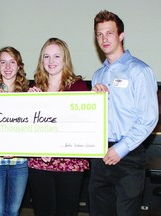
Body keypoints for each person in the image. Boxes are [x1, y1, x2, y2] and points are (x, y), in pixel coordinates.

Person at [89, 10, 159, 216]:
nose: (104, 39)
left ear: (121, 35)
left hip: (128, 156)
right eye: (99, 34)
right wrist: (92, 101)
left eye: (109, 33)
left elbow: (149, 118)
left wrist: (121, 149)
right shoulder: (97, 75)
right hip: (99, 155)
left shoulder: (139, 71)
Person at [27, 37, 90, 216]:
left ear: (65, 59)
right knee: (42, 211)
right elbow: (28, 127)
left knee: (67, 211)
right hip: (39, 161)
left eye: (56, 56)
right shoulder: (34, 87)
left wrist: (53, 148)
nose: (51, 61)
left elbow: (78, 126)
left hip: (69, 161)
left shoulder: (78, 86)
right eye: (46, 57)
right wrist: (29, 103)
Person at [0, 46, 30, 216]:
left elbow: (33, 128)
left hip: (20, 162)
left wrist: (38, 100)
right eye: (3, 62)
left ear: (19, 66)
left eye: (12, 62)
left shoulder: (28, 93)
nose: (8, 67)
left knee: (13, 211)